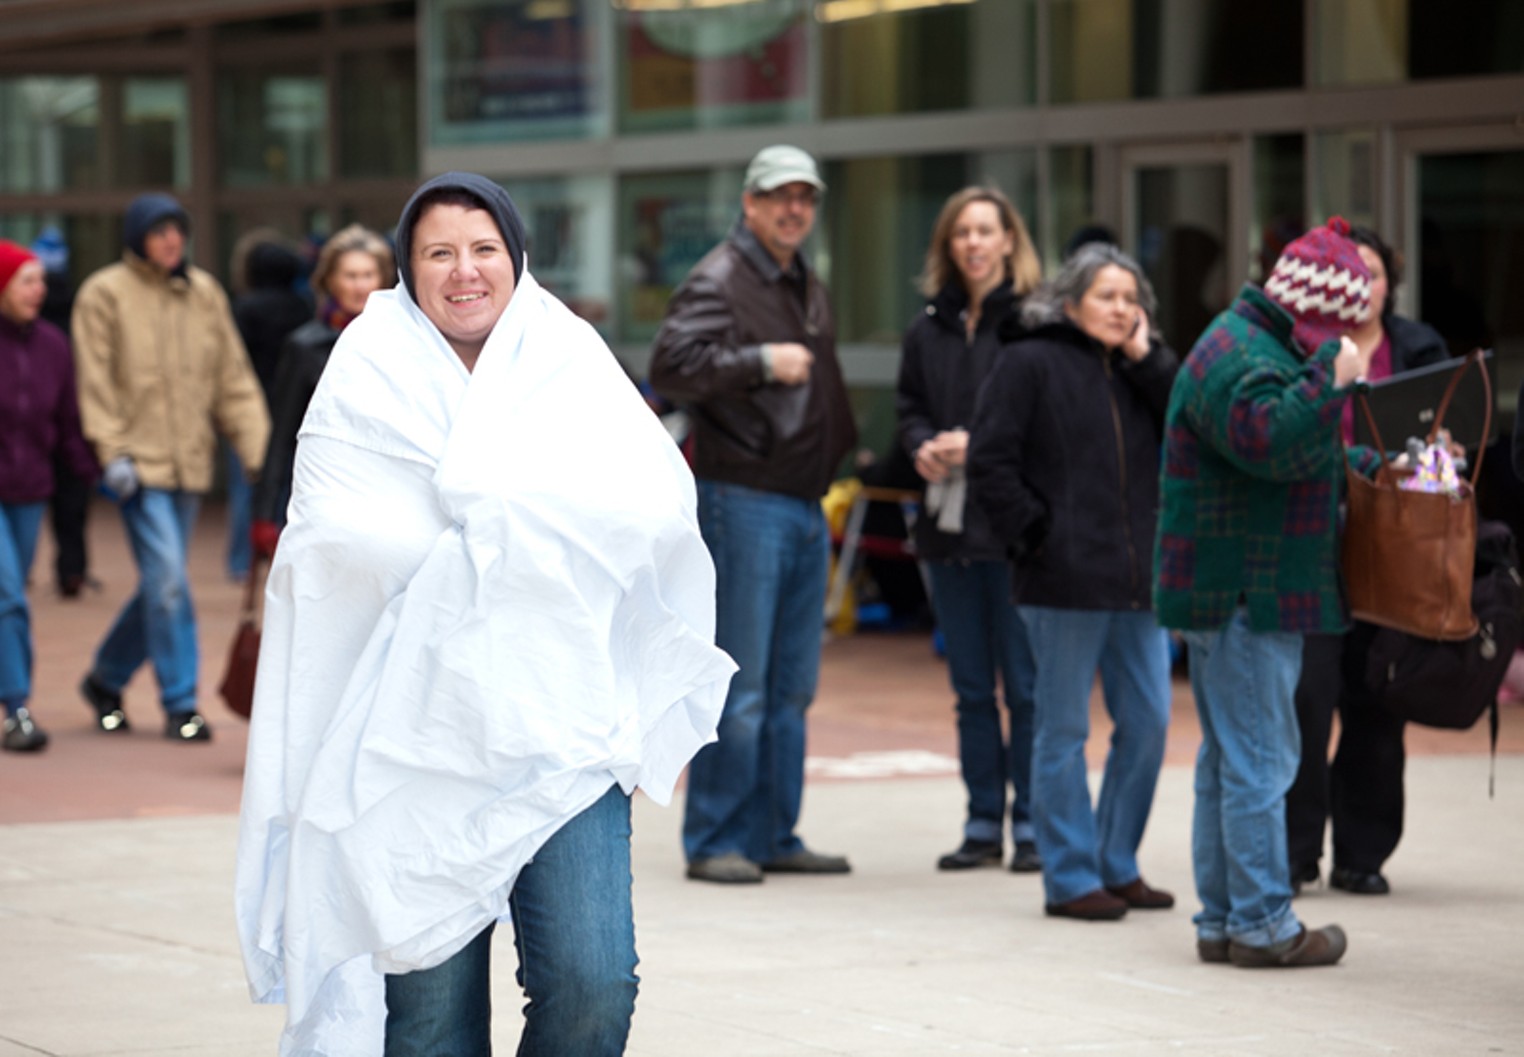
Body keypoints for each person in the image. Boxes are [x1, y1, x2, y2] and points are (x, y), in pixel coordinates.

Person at [235, 172, 735, 1056]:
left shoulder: (568, 357)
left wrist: (495, 523)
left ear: (516, 258)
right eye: (438, 253)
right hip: (406, 741)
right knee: (431, 1024)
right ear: (407, 268)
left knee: (594, 985)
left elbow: (651, 509)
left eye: (483, 249)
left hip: (560, 721)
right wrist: (512, 534)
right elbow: (333, 545)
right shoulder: (365, 371)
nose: (463, 271)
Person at [1155, 217, 1376, 967]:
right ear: (1316, 314)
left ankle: (1223, 919)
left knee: (1230, 760)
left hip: (1238, 586)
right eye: (1342, 327)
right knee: (1260, 760)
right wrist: (1333, 379)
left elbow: (1292, 446)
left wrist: (1373, 458)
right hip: (1246, 589)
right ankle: (1262, 924)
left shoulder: (1251, 343)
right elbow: (1271, 439)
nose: (1346, 341)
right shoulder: (1242, 354)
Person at [650, 144, 858, 884]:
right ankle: (715, 838)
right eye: (779, 196)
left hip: (801, 502)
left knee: (792, 685)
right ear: (750, 203)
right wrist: (762, 361)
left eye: (805, 196)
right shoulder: (722, 276)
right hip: (744, 499)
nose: (793, 208)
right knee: (741, 683)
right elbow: (670, 363)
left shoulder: (801, 278)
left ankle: (773, 832)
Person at [968, 243, 1180, 921]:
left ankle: (1117, 862)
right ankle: (1069, 874)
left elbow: (1190, 425)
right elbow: (991, 461)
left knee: (1148, 722)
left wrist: (1152, 360)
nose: (1121, 309)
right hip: (1062, 580)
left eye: (1131, 297)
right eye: (1107, 296)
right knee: (1061, 729)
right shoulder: (1029, 361)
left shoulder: (1146, 372)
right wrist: (1037, 535)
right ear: (1069, 303)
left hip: (1139, 580)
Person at [1284, 226, 1454, 898]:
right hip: (1317, 540)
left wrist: (1445, 448)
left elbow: (1457, 428)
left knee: (1379, 697)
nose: (1362, 283)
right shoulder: (1302, 347)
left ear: (1391, 282)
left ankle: (1363, 853)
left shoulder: (1420, 347)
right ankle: (1297, 851)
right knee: (1306, 697)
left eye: (1374, 271)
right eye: (1350, 271)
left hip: (1395, 542)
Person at [71, 192, 270, 742]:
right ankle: (181, 703)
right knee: (167, 584)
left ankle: (105, 679)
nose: (171, 241)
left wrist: (260, 457)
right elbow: (95, 381)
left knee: (164, 583)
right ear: (137, 237)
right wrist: (112, 453)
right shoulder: (103, 294)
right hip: (138, 467)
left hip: (189, 466)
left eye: (177, 231)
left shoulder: (203, 293)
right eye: (159, 232)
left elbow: (232, 381)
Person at [896, 186, 1044, 873]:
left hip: (1015, 533)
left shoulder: (1036, 323)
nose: (976, 244)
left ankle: (1035, 825)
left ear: (1009, 240)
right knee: (969, 689)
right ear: (949, 246)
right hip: (948, 531)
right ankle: (984, 821)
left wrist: (974, 442)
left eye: (987, 231)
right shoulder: (928, 325)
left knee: (1027, 687)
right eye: (963, 233)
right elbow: (908, 409)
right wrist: (924, 442)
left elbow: (1046, 419)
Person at [0, 241, 99, 752]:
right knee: (9, 597)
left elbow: (66, 424)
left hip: (28, 491)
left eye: (40, 281)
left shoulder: (53, 346)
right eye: (27, 281)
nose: (39, 290)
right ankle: (17, 707)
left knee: (9, 600)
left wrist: (91, 473)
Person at [250, 224, 393, 553]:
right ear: (329, 280)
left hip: (389, 490)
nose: (360, 285)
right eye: (350, 275)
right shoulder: (304, 346)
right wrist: (263, 514)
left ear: (384, 279)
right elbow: (282, 433)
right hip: (324, 494)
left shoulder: (404, 341)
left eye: (368, 274)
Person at [227, 231, 311, 580]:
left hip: (253, 404)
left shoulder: (245, 307)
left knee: (247, 485)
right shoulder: (303, 306)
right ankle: (280, 554)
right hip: (293, 405)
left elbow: (233, 360)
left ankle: (240, 560)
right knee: (289, 485)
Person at [32, 226, 93, 599]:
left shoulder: (50, 333)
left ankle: (61, 569)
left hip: (51, 422)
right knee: (71, 505)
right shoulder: (74, 305)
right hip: (65, 421)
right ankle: (72, 570)